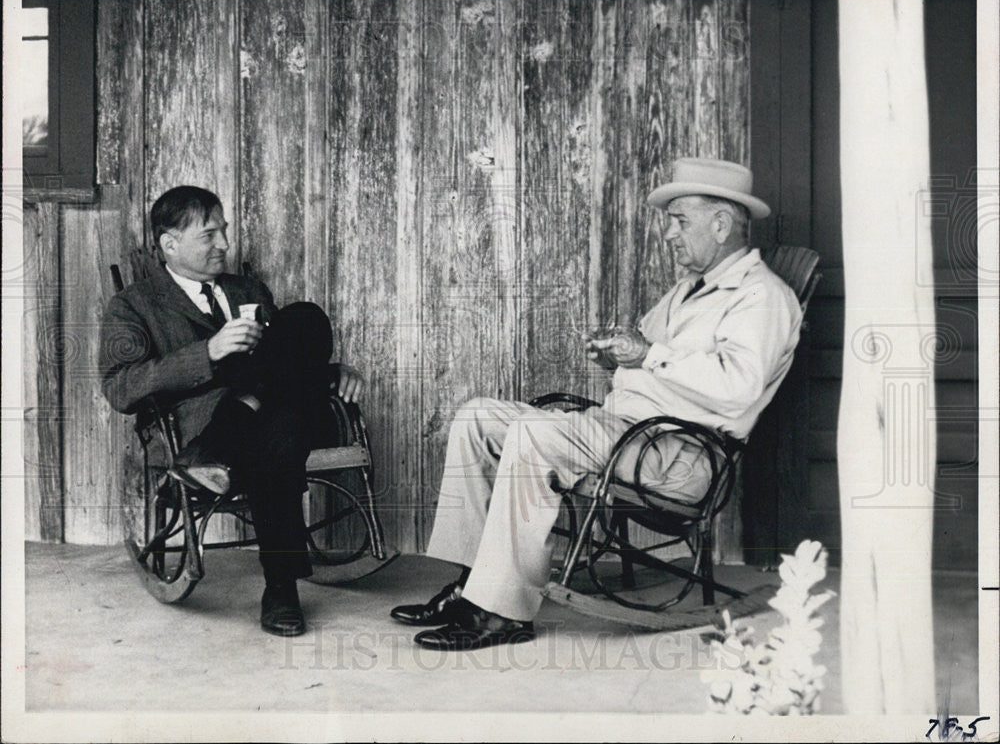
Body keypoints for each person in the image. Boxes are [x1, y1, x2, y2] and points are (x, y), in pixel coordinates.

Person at [390, 157, 803, 650]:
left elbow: (737, 384)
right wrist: (618, 358)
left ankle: (501, 612)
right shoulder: (688, 291)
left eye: (680, 221)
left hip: (678, 455)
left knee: (533, 435)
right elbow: (650, 360)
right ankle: (473, 583)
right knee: (476, 416)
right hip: (628, 431)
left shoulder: (761, 297)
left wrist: (648, 354)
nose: (669, 235)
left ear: (721, 224)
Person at [99, 185, 364, 637]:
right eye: (209, 235)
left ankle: (232, 426)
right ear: (169, 243)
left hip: (232, 435)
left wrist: (332, 371)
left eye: (223, 231)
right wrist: (208, 352)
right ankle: (281, 587)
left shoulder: (247, 289)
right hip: (202, 421)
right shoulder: (134, 305)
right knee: (281, 428)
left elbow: (287, 359)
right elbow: (121, 387)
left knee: (305, 318)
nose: (224, 243)